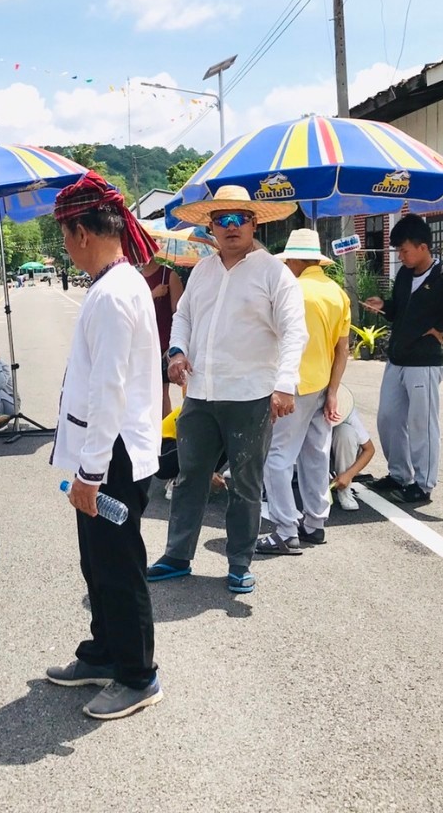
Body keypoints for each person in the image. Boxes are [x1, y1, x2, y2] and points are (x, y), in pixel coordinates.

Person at [46, 171, 164, 722]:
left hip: (111, 455)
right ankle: (104, 653)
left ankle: (138, 675)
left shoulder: (115, 293)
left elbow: (108, 391)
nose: (66, 247)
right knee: (97, 563)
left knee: (118, 567)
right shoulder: (114, 284)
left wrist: (90, 474)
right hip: (102, 452)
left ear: (82, 233)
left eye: (64, 236)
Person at [147, 185, 302, 595]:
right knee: (190, 477)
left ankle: (239, 562)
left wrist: (285, 384)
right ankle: (177, 555)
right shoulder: (203, 271)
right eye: (222, 220)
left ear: (254, 224)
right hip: (201, 393)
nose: (231, 227)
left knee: (245, 484)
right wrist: (177, 351)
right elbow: (182, 317)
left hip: (251, 395)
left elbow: (294, 331)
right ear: (211, 227)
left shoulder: (274, 273)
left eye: (240, 219)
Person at [361, 213, 443, 505]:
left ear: (423, 247)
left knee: (422, 424)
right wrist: (384, 306)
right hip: (397, 359)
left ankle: (423, 484)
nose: (401, 256)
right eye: (398, 251)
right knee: (388, 418)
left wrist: (442, 326)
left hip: (423, 363)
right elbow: (401, 310)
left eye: (404, 250)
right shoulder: (405, 275)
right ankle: (398, 475)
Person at [256, 228, 350, 555]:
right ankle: (315, 523)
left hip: (292, 385)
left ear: (295, 260)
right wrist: (334, 391)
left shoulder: (293, 290)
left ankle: (285, 529)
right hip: (323, 384)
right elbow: (342, 349)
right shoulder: (337, 293)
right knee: (316, 455)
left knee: (277, 457)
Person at [140, 257, 184, 417]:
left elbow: (180, 314)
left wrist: (174, 345)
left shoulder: (169, 276)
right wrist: (153, 294)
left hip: (162, 343)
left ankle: (163, 430)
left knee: (160, 392)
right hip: (141, 343)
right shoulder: (136, 278)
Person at [329, 385, 375, 512]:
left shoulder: (346, 411)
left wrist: (348, 475)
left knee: (346, 432)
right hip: (310, 453)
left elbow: (369, 449)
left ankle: (344, 490)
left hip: (336, 452)